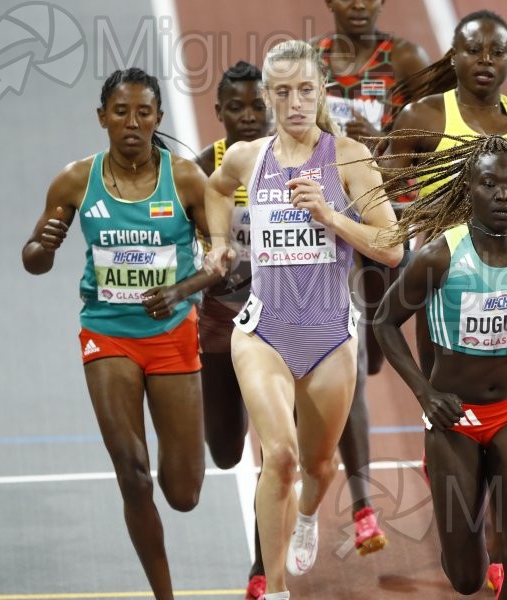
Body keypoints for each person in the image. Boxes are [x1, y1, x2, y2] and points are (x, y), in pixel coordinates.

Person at [203, 40, 403, 600]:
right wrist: (219, 244)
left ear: (321, 94)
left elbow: (391, 247)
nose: (294, 103)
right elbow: (216, 190)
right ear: (268, 96)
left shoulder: (349, 158)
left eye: (305, 91)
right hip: (263, 330)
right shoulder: (248, 157)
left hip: (330, 335)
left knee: (318, 468)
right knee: (282, 457)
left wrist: (331, 215)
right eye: (282, 92)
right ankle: (277, 586)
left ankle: (309, 518)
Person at [368, 134, 507, 599]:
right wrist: (425, 395)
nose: (504, 196)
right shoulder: (440, 258)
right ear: (469, 188)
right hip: (455, 418)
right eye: (490, 184)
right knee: (467, 578)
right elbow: (385, 322)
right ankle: (452, 495)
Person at [22, 68, 218, 600]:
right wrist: (44, 244)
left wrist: (181, 291)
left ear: (157, 118)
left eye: (144, 113)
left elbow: (224, 260)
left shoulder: (184, 181)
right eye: (120, 112)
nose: (132, 123)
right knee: (132, 472)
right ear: (102, 118)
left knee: (183, 494)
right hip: (107, 334)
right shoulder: (73, 180)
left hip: (173, 333)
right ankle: (164, 595)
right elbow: (34, 260)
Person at [310, 0, 429, 556]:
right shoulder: (311, 63)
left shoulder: (405, 59)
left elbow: (430, 147)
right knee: (354, 359)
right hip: (334, 225)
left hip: (389, 221)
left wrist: (376, 145)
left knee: (381, 348)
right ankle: (363, 507)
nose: (358, 3)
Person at [382, 9, 507, 380]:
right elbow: (389, 187)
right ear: (454, 55)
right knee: (440, 389)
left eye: (497, 52)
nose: (485, 60)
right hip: (443, 270)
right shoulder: (422, 117)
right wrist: (397, 239)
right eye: (474, 49)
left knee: (506, 380)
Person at [194, 60, 270, 600]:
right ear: (218, 113)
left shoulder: (297, 162)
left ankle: (265, 566)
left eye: (258, 105)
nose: (248, 115)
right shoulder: (202, 170)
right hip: (222, 319)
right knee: (224, 451)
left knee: (278, 447)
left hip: (283, 318)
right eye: (236, 107)